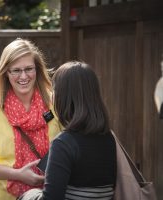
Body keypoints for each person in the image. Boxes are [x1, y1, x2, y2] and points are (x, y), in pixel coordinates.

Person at [0, 38, 62, 200]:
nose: (23, 76)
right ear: (6, 73)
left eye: (29, 69)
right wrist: (17, 174)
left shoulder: (56, 104)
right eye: (16, 70)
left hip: (55, 194)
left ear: (37, 69)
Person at [19, 61, 117, 200]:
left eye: (54, 91)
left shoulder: (64, 143)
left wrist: (29, 195)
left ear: (63, 98)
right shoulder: (108, 139)